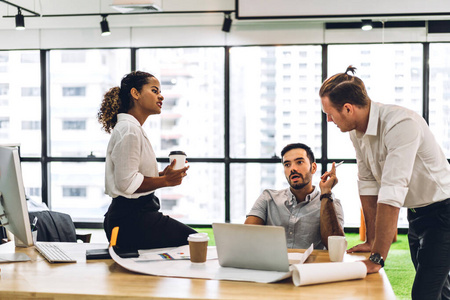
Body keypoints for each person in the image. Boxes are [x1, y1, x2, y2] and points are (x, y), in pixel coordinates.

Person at [320, 65, 450, 300]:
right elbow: (368, 183)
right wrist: (372, 240)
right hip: (417, 213)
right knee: (439, 289)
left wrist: (378, 258)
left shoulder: (401, 124)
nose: (329, 119)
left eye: (329, 113)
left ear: (348, 109)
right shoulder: (356, 131)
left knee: (424, 294)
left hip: (443, 214)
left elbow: (391, 191)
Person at [97, 71, 197, 250]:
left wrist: (162, 175)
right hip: (132, 221)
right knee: (195, 241)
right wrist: (165, 181)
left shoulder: (131, 128)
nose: (161, 96)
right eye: (154, 90)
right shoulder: (129, 130)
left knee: (193, 243)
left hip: (135, 217)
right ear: (135, 94)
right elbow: (126, 184)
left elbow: (133, 176)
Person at [245, 143, 345, 250]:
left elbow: (335, 247)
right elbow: (246, 238)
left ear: (313, 168)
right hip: (273, 265)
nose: (292, 169)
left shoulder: (331, 203)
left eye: (299, 162)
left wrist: (326, 193)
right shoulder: (268, 198)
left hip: (310, 265)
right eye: (287, 164)